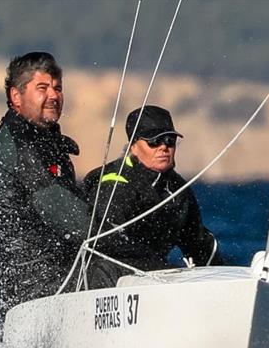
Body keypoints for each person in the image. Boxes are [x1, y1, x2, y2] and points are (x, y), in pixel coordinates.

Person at [0, 52, 92, 316]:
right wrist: (120, 235)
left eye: (58, 88)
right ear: (16, 96)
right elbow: (74, 221)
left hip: (57, 269)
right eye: (42, 88)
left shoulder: (44, 139)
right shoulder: (17, 147)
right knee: (120, 266)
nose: (54, 96)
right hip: (29, 287)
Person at [84, 105, 222, 287]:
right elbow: (106, 243)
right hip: (106, 279)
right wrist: (163, 270)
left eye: (169, 140)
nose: (164, 147)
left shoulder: (178, 190)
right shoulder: (115, 183)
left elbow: (198, 244)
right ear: (133, 146)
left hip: (153, 278)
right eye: (154, 142)